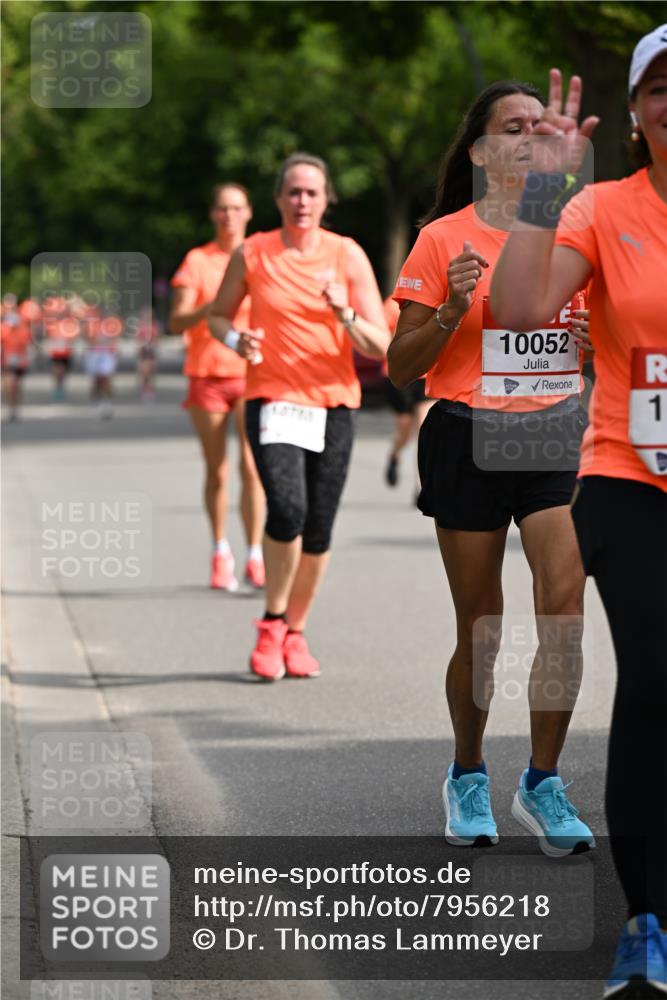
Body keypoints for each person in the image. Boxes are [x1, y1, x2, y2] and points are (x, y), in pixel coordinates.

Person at [490, 32, 667, 997]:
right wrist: (546, 191)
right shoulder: (600, 207)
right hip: (625, 477)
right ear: (636, 111)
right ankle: (644, 921)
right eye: (658, 86)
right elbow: (518, 312)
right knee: (653, 676)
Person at [388, 81, 595, 857]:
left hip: (557, 435)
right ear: (478, 152)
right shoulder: (443, 238)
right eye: (512, 128)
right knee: (480, 630)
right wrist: (447, 312)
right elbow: (400, 364)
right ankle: (467, 772)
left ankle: (541, 782)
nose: (527, 138)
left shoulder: (578, 229)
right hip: (469, 435)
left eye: (539, 128)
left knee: (564, 607)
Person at [209, 152, 390, 680]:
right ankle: (270, 622)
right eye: (293, 192)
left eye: (312, 192)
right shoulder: (254, 252)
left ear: (326, 198)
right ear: (278, 199)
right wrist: (234, 338)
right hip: (272, 400)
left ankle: (295, 630)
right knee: (287, 508)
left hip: (333, 404)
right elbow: (219, 315)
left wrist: (345, 313)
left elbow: (380, 345)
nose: (302, 201)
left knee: (318, 525)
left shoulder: (347, 255)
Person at [170, 183, 265, 591]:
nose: (229, 215)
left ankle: (256, 554)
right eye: (222, 209)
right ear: (214, 215)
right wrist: (214, 306)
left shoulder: (261, 255)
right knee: (218, 470)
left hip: (252, 373)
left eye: (237, 208)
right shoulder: (197, 261)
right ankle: (220, 549)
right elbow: (176, 322)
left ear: (248, 213)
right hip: (207, 373)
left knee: (252, 467)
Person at [382, 295, 434, 497]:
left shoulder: (437, 300)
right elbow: (385, 340)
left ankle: (420, 485)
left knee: (423, 427)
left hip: (425, 374)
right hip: (400, 375)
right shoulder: (392, 305)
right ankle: (395, 454)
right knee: (404, 430)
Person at [1, 294, 32, 421]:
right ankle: (11, 408)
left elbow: (27, 343)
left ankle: (15, 408)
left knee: (17, 386)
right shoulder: (2, 326)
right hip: (6, 360)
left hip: (19, 360)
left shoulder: (22, 325)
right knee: (9, 385)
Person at [42, 296, 78, 401]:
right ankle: (57, 388)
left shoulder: (70, 323)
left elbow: (73, 337)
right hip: (55, 352)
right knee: (57, 371)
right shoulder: (52, 323)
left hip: (65, 353)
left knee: (63, 372)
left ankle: (60, 386)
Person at [134, 306, 161, 402]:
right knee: (143, 372)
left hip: (151, 352)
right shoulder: (140, 326)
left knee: (151, 372)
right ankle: (144, 389)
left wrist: (153, 345)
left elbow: (157, 339)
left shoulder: (154, 326)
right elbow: (138, 340)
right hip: (143, 352)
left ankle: (150, 390)